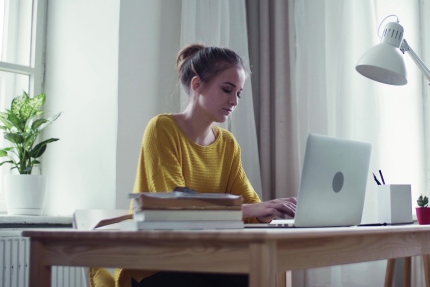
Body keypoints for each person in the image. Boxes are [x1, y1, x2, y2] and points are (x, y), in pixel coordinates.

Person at [112, 44, 297, 287]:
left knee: (253, 274)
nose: (234, 101)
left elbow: (251, 208)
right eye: (227, 90)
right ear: (197, 84)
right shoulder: (162, 129)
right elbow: (175, 207)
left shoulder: (228, 144)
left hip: (206, 260)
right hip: (156, 263)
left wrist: (271, 210)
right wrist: (252, 211)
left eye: (239, 93)